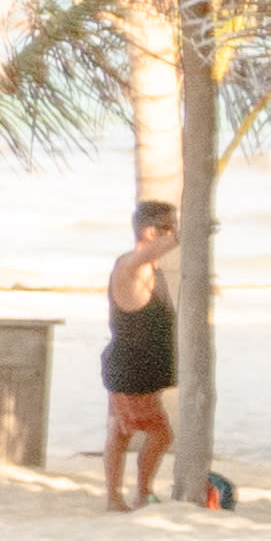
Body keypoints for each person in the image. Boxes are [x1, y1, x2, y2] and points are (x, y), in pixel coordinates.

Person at [99, 199, 181, 509]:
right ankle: (141, 492)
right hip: (133, 370)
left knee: (119, 431)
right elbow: (144, 255)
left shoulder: (147, 268)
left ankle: (115, 497)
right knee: (160, 434)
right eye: (168, 228)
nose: (173, 233)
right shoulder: (132, 266)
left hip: (134, 367)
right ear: (149, 232)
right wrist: (185, 234)